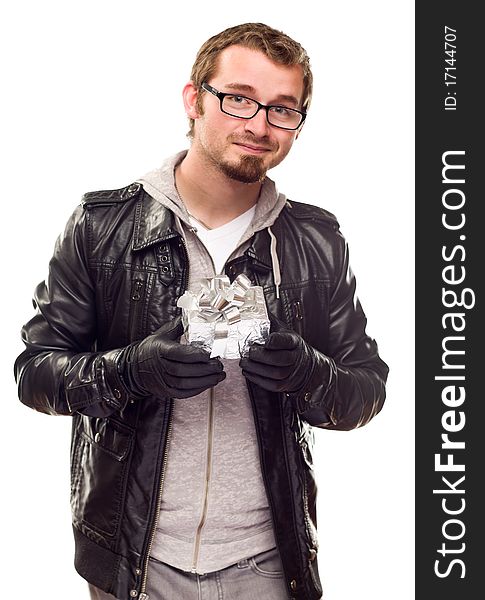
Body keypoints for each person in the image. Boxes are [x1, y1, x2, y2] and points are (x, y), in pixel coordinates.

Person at [14, 22, 388, 600]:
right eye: (239, 99)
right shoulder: (101, 226)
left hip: (268, 561)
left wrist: (310, 374)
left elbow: (366, 389)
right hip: (134, 559)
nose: (259, 125)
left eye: (283, 109)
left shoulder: (315, 239)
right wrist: (130, 370)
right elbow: (35, 373)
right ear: (194, 99)